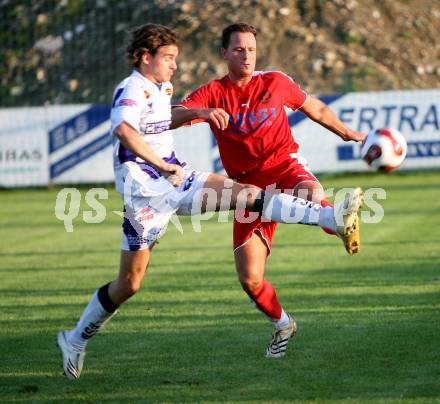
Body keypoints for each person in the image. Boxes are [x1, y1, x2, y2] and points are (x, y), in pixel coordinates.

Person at [57, 23, 362, 379]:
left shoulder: (162, 87)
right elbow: (124, 130)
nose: (174, 65)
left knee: (247, 195)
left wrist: (186, 131)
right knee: (129, 284)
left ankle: (331, 219)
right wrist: (169, 150)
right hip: (146, 197)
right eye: (168, 57)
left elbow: (167, 119)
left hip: (180, 180)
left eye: (174, 57)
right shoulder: (132, 88)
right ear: (145, 57)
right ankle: (75, 339)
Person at [171, 23, 366, 359]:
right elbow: (171, 115)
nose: (246, 55)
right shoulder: (213, 92)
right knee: (250, 279)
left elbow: (314, 107)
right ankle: (283, 324)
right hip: (246, 189)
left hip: (284, 166)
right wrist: (201, 112)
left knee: (311, 194)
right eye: (238, 49)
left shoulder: (275, 81)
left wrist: (346, 132)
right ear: (224, 54)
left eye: (251, 49)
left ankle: (338, 220)